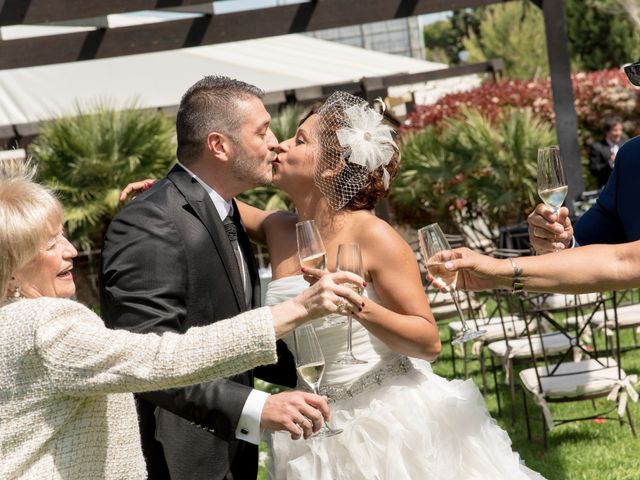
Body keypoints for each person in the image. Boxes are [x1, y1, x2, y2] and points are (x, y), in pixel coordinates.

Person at [239, 92, 543, 479]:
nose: (280, 144)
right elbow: (210, 199)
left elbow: (428, 341)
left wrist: (355, 304)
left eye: (300, 140)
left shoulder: (375, 236)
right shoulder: (277, 229)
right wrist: (168, 191)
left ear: (332, 166)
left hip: (390, 421)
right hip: (313, 424)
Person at [0, 161, 364, 480]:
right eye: (50, 244)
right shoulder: (45, 326)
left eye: (63, 234)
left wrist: (174, 194)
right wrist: (300, 308)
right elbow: (164, 359)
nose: (71, 250)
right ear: (12, 268)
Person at [100, 76, 341, 480]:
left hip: (232, 454)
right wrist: (256, 407)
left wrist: (345, 371)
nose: (275, 142)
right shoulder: (150, 220)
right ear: (219, 145)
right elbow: (142, 359)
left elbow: (226, 332)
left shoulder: (224, 211)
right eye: (262, 131)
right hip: (178, 460)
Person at [528, 66, 640, 253]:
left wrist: (508, 269)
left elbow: (629, 262)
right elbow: (581, 245)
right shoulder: (631, 158)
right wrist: (558, 241)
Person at [427, 240, 640, 294]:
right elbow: (604, 261)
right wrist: (497, 277)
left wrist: (499, 270)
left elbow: (625, 263)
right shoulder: (629, 155)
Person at [588, 116, 627, 188]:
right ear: (606, 131)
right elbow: (593, 170)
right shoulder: (597, 147)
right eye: (615, 130)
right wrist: (610, 162)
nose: (619, 133)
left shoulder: (626, 143)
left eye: (620, 130)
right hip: (607, 188)